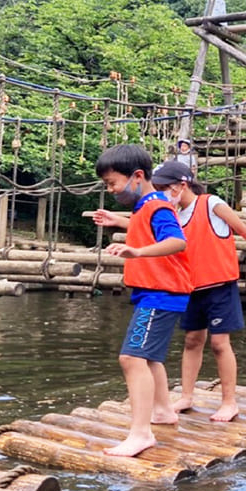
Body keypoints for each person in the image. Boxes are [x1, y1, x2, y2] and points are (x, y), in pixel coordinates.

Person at [149, 161, 246, 422]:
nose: (163, 193)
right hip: (191, 288)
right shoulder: (174, 214)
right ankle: (187, 396)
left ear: (181, 184)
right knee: (191, 341)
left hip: (220, 286)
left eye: (165, 188)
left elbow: (243, 229)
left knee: (219, 343)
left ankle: (229, 402)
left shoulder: (210, 203)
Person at [92, 144, 192, 457]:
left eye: (112, 184)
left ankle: (140, 433)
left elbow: (176, 241)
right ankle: (162, 411)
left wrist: (136, 252)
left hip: (161, 293)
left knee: (131, 358)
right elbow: (144, 226)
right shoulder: (145, 205)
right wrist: (117, 221)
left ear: (137, 176)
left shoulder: (157, 206)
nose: (110, 190)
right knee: (150, 358)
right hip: (157, 292)